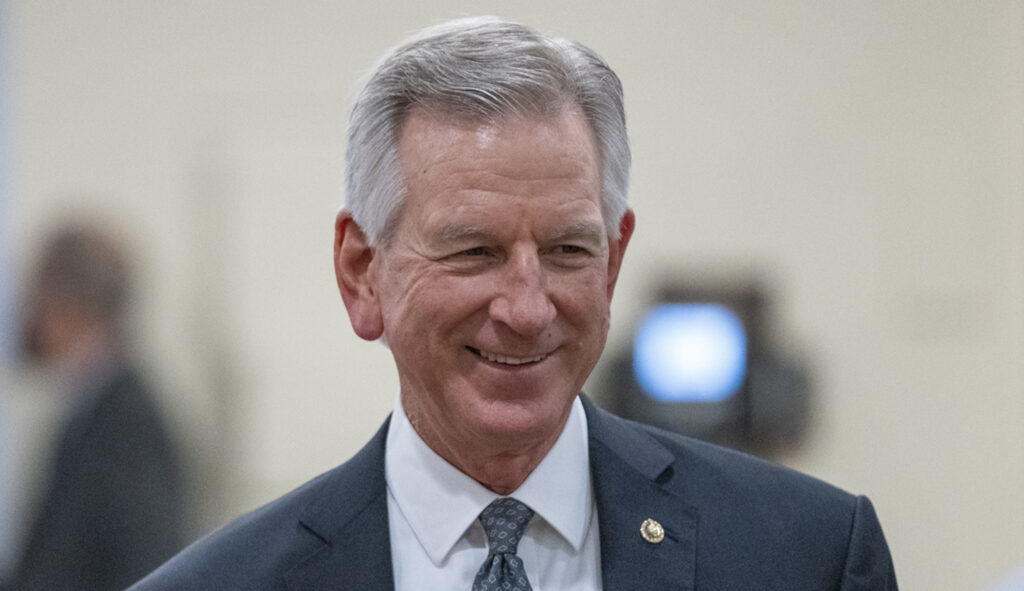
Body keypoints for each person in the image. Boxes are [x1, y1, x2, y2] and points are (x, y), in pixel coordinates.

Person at [132, 16, 897, 590]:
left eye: (568, 249)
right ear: (362, 272)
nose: (528, 308)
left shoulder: (809, 556)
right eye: (474, 252)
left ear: (613, 260)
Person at [3, 225, 185, 591]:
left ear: (65, 305)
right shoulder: (94, 407)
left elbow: (142, 560)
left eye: (35, 301)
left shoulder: (127, 423)